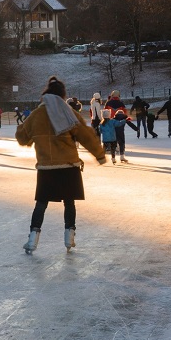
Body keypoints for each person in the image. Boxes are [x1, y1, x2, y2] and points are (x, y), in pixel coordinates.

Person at [16, 77, 106, 255]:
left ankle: (32, 239)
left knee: (41, 203)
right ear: (62, 94)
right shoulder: (68, 112)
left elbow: (21, 137)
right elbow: (85, 135)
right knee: (69, 202)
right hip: (68, 165)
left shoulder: (36, 115)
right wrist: (99, 154)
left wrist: (31, 135)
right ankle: (69, 237)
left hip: (46, 167)